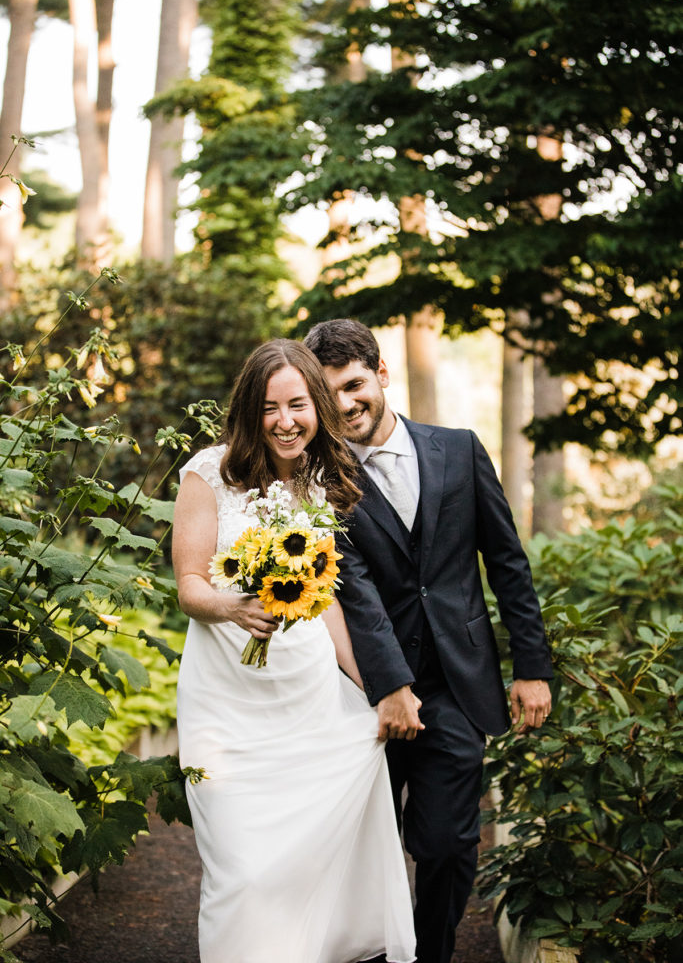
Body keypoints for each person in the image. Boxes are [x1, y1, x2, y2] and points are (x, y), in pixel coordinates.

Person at [304, 319, 554, 963]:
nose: (346, 405)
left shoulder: (461, 449)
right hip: (360, 690)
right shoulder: (318, 482)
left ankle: (430, 955)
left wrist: (531, 666)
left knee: (445, 845)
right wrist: (388, 686)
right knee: (363, 850)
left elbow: (507, 563)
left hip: (456, 684)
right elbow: (350, 589)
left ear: (381, 374)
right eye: (328, 396)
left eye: (354, 385)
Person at [172, 338, 417, 963]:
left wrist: (369, 687)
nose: (285, 421)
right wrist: (234, 606)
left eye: (299, 405)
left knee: (304, 869)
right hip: (226, 703)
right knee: (244, 871)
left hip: (309, 700)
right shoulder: (208, 473)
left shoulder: (320, 480)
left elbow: (328, 599)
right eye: (270, 407)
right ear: (250, 410)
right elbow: (191, 586)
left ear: (318, 409)